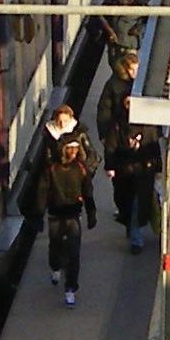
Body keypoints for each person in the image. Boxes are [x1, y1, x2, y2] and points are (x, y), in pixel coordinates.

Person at [37, 104, 100, 306]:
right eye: (71, 150)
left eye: (75, 150)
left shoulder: (80, 169)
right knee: (55, 246)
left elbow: (88, 192)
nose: (74, 153)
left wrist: (91, 212)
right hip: (57, 214)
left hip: (72, 214)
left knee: (73, 253)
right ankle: (56, 267)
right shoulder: (52, 169)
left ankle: (70, 287)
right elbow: (42, 191)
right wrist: (38, 214)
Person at [110, 122, 164, 254]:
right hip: (125, 176)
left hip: (142, 176)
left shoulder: (149, 130)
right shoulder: (119, 129)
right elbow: (111, 149)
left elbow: (155, 150)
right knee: (128, 204)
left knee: (137, 206)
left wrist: (157, 168)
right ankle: (133, 229)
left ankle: (136, 239)